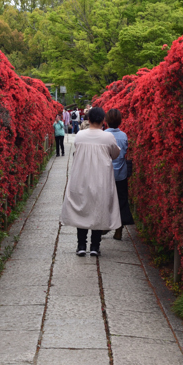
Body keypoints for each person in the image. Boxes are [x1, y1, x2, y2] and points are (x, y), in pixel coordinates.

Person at [60, 106, 121, 256]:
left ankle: (81, 245)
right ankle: (95, 247)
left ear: (88, 119)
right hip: (101, 179)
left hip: (81, 178)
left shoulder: (80, 135)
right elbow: (115, 154)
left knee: (83, 210)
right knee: (98, 211)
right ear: (103, 120)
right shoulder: (107, 137)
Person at [105, 108, 134, 240]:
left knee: (106, 201)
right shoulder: (124, 135)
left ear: (107, 120)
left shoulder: (104, 135)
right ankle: (119, 229)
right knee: (121, 201)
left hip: (106, 174)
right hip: (121, 174)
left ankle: (104, 227)